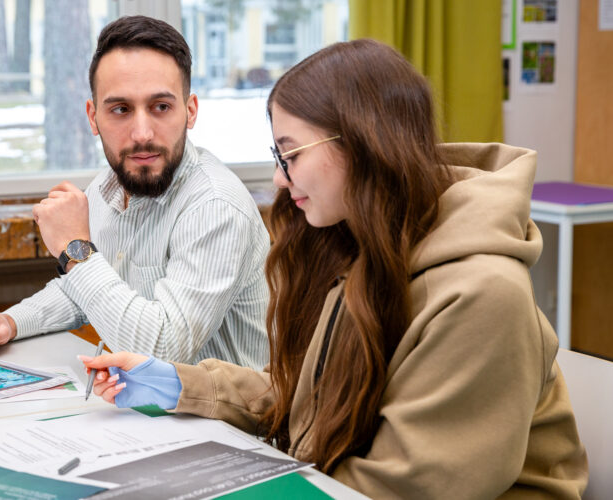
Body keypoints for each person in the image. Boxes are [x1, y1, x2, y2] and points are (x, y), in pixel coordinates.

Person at [80, 38, 588, 498]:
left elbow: (403, 488)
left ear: (364, 144)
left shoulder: (481, 295)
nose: (280, 180)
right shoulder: (361, 249)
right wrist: (180, 384)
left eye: (291, 155)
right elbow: (309, 396)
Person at [0, 16, 270, 370]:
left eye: (161, 107)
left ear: (190, 111)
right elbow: (83, 289)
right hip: (143, 401)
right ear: (93, 117)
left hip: (219, 408)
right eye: (121, 109)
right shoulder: (108, 186)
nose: (142, 133)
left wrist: (75, 248)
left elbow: (161, 350)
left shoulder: (215, 205)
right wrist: (10, 323)